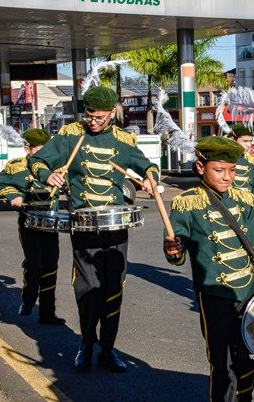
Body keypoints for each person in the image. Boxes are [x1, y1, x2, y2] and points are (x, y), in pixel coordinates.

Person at [29, 86, 159, 373]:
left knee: (113, 288)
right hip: (84, 227)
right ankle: (87, 344)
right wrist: (46, 173)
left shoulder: (124, 139)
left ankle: (108, 349)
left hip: (115, 228)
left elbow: (146, 166)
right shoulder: (70, 136)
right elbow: (37, 160)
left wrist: (150, 178)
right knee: (88, 289)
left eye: (100, 117)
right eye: (89, 115)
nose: (93, 121)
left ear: (113, 113)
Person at [164, 136, 254, 402]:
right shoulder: (187, 203)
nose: (227, 177)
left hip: (247, 293)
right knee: (222, 362)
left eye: (232, 170)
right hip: (214, 295)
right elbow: (177, 255)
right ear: (200, 167)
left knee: (249, 358)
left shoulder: (244, 200)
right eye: (219, 170)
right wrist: (174, 251)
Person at [0, 128, 65, 325]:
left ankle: (47, 312)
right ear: (27, 148)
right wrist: (13, 195)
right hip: (29, 221)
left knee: (50, 266)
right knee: (34, 264)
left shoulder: (57, 166)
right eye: (39, 150)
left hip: (50, 221)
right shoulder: (17, 166)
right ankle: (28, 299)